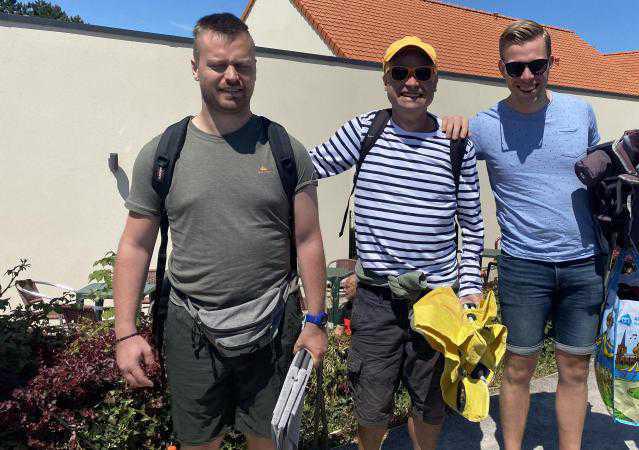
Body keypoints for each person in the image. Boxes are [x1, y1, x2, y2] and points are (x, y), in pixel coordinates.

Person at [112, 13, 327, 450]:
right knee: (197, 444)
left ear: (255, 68)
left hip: (273, 324)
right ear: (195, 67)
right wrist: (125, 331)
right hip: (190, 327)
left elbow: (309, 240)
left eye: (243, 65)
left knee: (269, 441)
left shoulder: (285, 150)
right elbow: (135, 247)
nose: (232, 76)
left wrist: (317, 320)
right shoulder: (163, 153)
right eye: (218, 65)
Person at [308, 36, 485, 450]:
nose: (411, 82)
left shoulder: (457, 142)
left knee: (430, 403)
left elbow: (473, 225)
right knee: (371, 403)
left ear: (436, 81)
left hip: (437, 299)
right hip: (375, 299)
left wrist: (471, 288)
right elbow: (307, 167)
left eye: (422, 73)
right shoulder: (363, 130)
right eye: (400, 73)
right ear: (385, 80)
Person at [467, 20, 604, 450]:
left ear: (552, 64)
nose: (527, 76)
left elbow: (599, 179)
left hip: (585, 263)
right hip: (523, 267)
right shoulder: (482, 125)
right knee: (518, 369)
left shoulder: (581, 113)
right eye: (515, 68)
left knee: (575, 369)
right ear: (501, 69)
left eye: (537, 65)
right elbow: (438, 158)